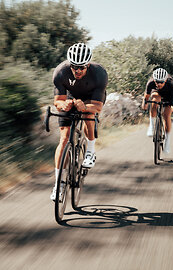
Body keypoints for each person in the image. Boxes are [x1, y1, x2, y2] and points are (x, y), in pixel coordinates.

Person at [50, 43, 108, 201]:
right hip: (71, 98)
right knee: (64, 138)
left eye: (81, 67)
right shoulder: (61, 72)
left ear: (88, 65)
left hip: (91, 99)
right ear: (70, 64)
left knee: (89, 115)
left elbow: (98, 107)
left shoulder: (99, 74)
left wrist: (85, 106)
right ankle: (58, 184)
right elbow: (58, 101)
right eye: (74, 66)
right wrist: (64, 104)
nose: (77, 70)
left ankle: (90, 150)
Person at [141, 68, 173, 154]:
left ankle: (167, 141)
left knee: (166, 115)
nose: (159, 84)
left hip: (168, 96)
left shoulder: (171, 84)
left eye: (161, 82)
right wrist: (145, 104)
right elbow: (146, 97)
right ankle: (151, 125)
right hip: (156, 93)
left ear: (165, 80)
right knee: (155, 99)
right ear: (154, 80)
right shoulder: (150, 83)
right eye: (157, 82)